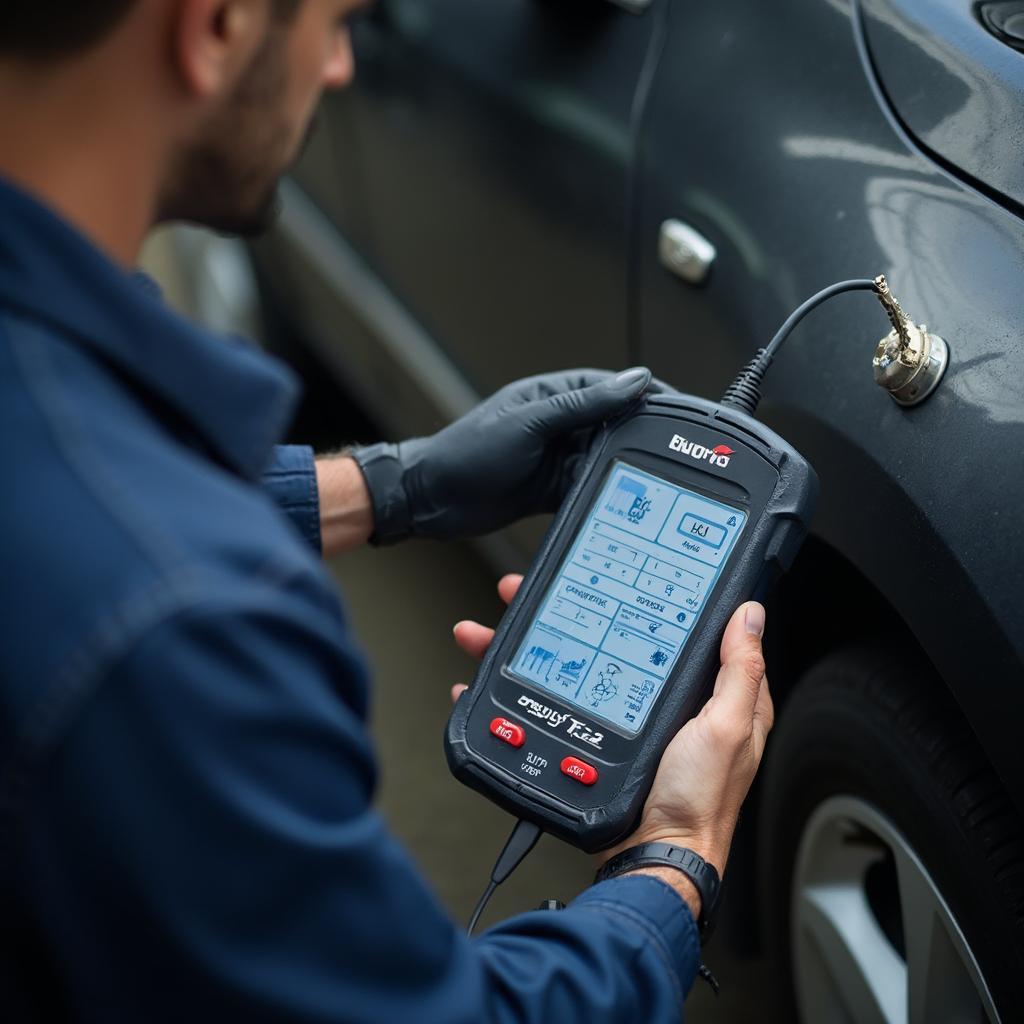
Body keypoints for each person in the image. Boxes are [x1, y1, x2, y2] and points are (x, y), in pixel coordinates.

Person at [0, 2, 774, 1020]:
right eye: (335, 20)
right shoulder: (181, 626)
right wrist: (675, 862)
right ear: (218, 25)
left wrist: (384, 486)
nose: (336, 69)